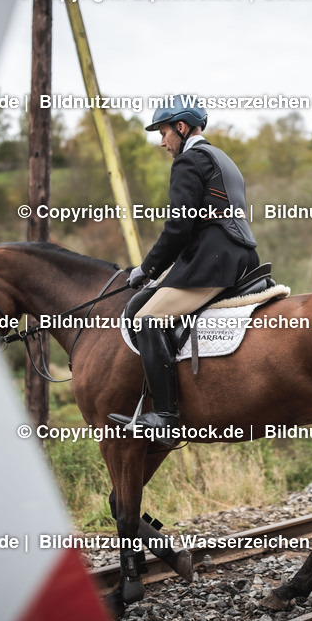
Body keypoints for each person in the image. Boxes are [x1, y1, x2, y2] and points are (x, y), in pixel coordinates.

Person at [108, 96, 260, 444]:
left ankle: (165, 416)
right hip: (238, 256)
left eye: (163, 133)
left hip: (212, 263)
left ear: (181, 127)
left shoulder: (189, 161)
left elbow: (179, 227)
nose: (162, 143)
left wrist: (147, 269)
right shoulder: (222, 158)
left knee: (147, 319)